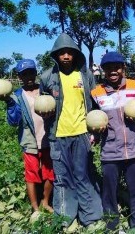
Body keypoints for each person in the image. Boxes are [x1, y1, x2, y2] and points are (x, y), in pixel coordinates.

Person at [38, 33, 103, 227]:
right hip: (58, 136)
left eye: (69, 53)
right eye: (61, 53)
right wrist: (45, 114)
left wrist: (95, 131)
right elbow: (43, 104)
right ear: (56, 55)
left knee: (84, 175)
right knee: (62, 179)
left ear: (75, 54)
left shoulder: (85, 75)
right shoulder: (47, 76)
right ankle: (65, 219)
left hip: (82, 133)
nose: (66, 56)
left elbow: (95, 104)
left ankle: (89, 217)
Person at [90, 52, 135, 233]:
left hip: (134, 148)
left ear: (123, 68)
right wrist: (95, 133)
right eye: (108, 68)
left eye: (116, 67)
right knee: (109, 193)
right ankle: (112, 226)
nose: (113, 71)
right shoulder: (96, 93)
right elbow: (94, 118)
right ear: (103, 70)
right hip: (110, 150)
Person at [0, 59, 54, 223]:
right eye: (24, 74)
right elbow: (13, 122)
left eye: (30, 72)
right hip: (29, 142)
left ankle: (45, 202)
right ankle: (35, 208)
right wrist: (8, 102)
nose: (28, 76)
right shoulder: (16, 96)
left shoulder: (45, 91)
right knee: (32, 174)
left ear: (36, 73)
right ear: (19, 76)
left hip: (48, 139)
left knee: (49, 173)